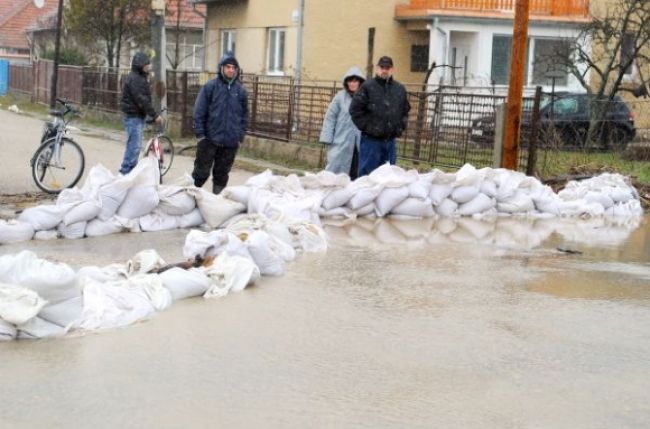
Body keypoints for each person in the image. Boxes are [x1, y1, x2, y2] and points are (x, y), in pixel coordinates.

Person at [192, 51, 248, 194]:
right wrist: (200, 135)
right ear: (221, 68)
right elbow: (199, 111)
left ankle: (216, 204)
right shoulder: (210, 87)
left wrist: (239, 137)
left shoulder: (240, 91)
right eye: (228, 67)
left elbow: (245, 116)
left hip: (230, 143)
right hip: (209, 140)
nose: (231, 70)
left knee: (221, 176)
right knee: (201, 173)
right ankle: (189, 198)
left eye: (233, 67)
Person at [349, 55, 411, 177]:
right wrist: (368, 127)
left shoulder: (399, 89)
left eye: (387, 68)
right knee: (367, 176)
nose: (384, 70)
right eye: (382, 67)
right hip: (371, 142)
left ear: (392, 70)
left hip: (390, 142)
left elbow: (405, 110)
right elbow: (355, 109)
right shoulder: (367, 87)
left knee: (388, 177)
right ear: (377, 68)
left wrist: (399, 127)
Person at [119, 52, 162, 175]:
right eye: (146, 65)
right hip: (134, 117)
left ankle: (128, 172)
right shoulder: (136, 79)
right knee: (134, 147)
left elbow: (143, 100)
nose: (148, 67)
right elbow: (142, 100)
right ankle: (125, 173)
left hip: (136, 116)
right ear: (139, 65)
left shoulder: (138, 78)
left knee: (134, 146)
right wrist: (154, 115)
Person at [319, 66, 365, 179]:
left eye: (355, 81)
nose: (353, 84)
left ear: (360, 82)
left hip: (360, 141)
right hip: (341, 140)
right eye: (350, 81)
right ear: (346, 82)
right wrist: (326, 137)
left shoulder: (365, 98)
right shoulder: (339, 97)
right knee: (336, 167)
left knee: (357, 169)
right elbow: (330, 117)